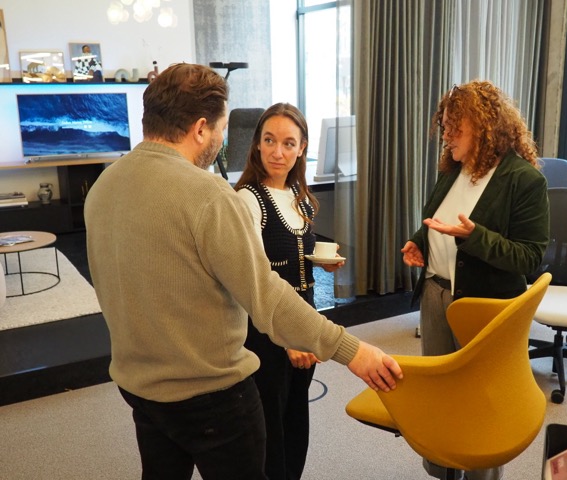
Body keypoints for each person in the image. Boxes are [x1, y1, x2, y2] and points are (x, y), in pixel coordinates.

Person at [84, 63, 402, 480]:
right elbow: (265, 294)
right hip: (211, 395)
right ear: (201, 128)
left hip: (139, 387)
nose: (222, 139)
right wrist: (351, 350)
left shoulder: (104, 184)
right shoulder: (209, 195)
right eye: (221, 128)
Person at [401, 80, 550, 480]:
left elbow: (529, 257)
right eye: (445, 127)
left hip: (483, 305)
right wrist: (419, 242)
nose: (446, 136)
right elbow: (436, 222)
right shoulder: (453, 170)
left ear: (484, 128)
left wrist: (475, 237)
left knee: (480, 403)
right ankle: (444, 468)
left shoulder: (524, 180)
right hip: (436, 295)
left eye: (456, 128)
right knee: (440, 392)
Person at [234, 103, 345, 480]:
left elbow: (291, 255)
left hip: (304, 317)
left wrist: (320, 262)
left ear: (302, 148)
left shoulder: (298, 194)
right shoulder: (248, 199)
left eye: (287, 143)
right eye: (269, 140)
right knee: (271, 427)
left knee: (296, 416)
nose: (277, 152)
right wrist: (287, 338)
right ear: (257, 144)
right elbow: (254, 275)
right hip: (268, 331)